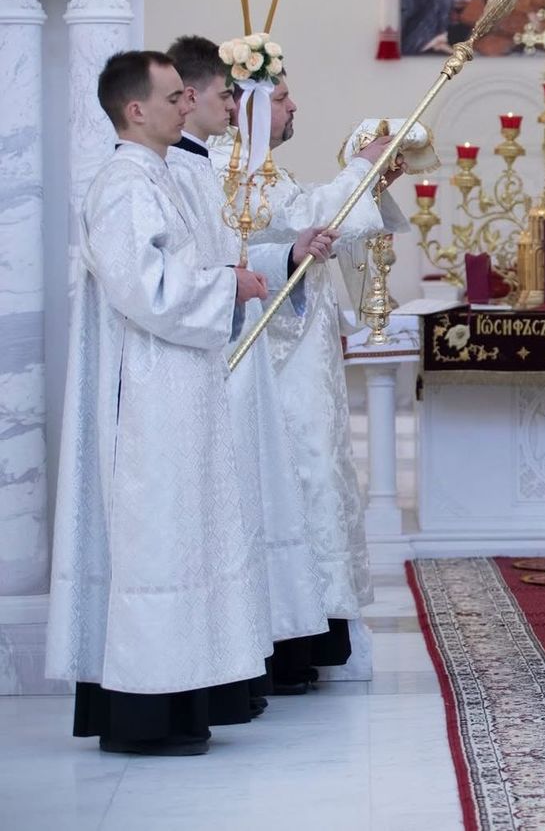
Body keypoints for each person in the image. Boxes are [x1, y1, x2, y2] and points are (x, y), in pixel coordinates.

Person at [46, 52, 272, 755]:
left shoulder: (160, 175)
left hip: (177, 382)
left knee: (182, 538)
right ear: (135, 109)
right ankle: (144, 714)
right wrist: (224, 286)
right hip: (145, 393)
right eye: (174, 97)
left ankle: (182, 702)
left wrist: (226, 277)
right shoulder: (124, 183)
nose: (188, 105)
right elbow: (143, 287)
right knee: (155, 541)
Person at [209, 74, 405, 692]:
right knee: (294, 485)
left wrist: (365, 184)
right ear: (248, 106)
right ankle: (286, 647)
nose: (294, 106)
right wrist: (360, 171)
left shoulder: (267, 170)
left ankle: (312, 639)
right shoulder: (226, 168)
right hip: (268, 366)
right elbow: (293, 229)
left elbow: (309, 231)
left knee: (316, 481)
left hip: (300, 361)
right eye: (282, 98)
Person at [166, 36, 334, 693]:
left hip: (234, 350)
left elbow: (233, 257)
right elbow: (175, 278)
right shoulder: (181, 171)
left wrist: (283, 257)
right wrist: (244, 275)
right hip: (203, 360)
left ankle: (254, 656)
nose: (232, 107)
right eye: (224, 96)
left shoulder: (202, 167)